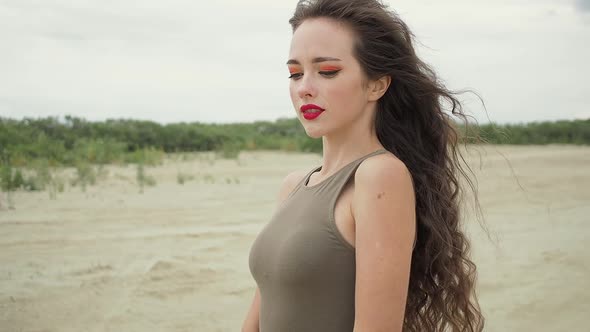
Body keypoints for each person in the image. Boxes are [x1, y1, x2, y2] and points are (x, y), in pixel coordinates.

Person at [242, 0, 485, 331]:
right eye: (295, 73)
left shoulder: (380, 176)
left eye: (327, 71)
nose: (304, 88)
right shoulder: (293, 186)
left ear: (377, 84)